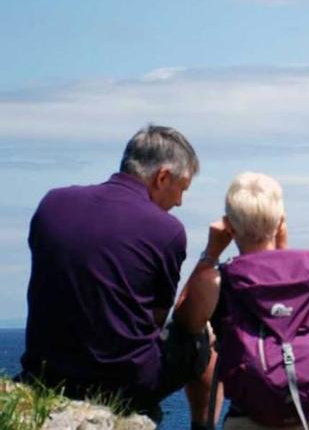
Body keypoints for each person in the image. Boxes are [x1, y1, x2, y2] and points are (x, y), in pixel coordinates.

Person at [19, 125, 218, 428]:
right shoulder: (166, 230)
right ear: (162, 177)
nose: (179, 202)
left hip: (45, 373)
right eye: (182, 188)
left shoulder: (52, 203)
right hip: (123, 386)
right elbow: (157, 319)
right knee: (203, 338)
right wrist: (211, 255)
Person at [176, 172, 309, 430]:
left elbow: (183, 320)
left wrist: (211, 252)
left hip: (251, 420)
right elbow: (286, 293)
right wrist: (283, 243)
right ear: (281, 222)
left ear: (228, 225)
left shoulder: (216, 281)